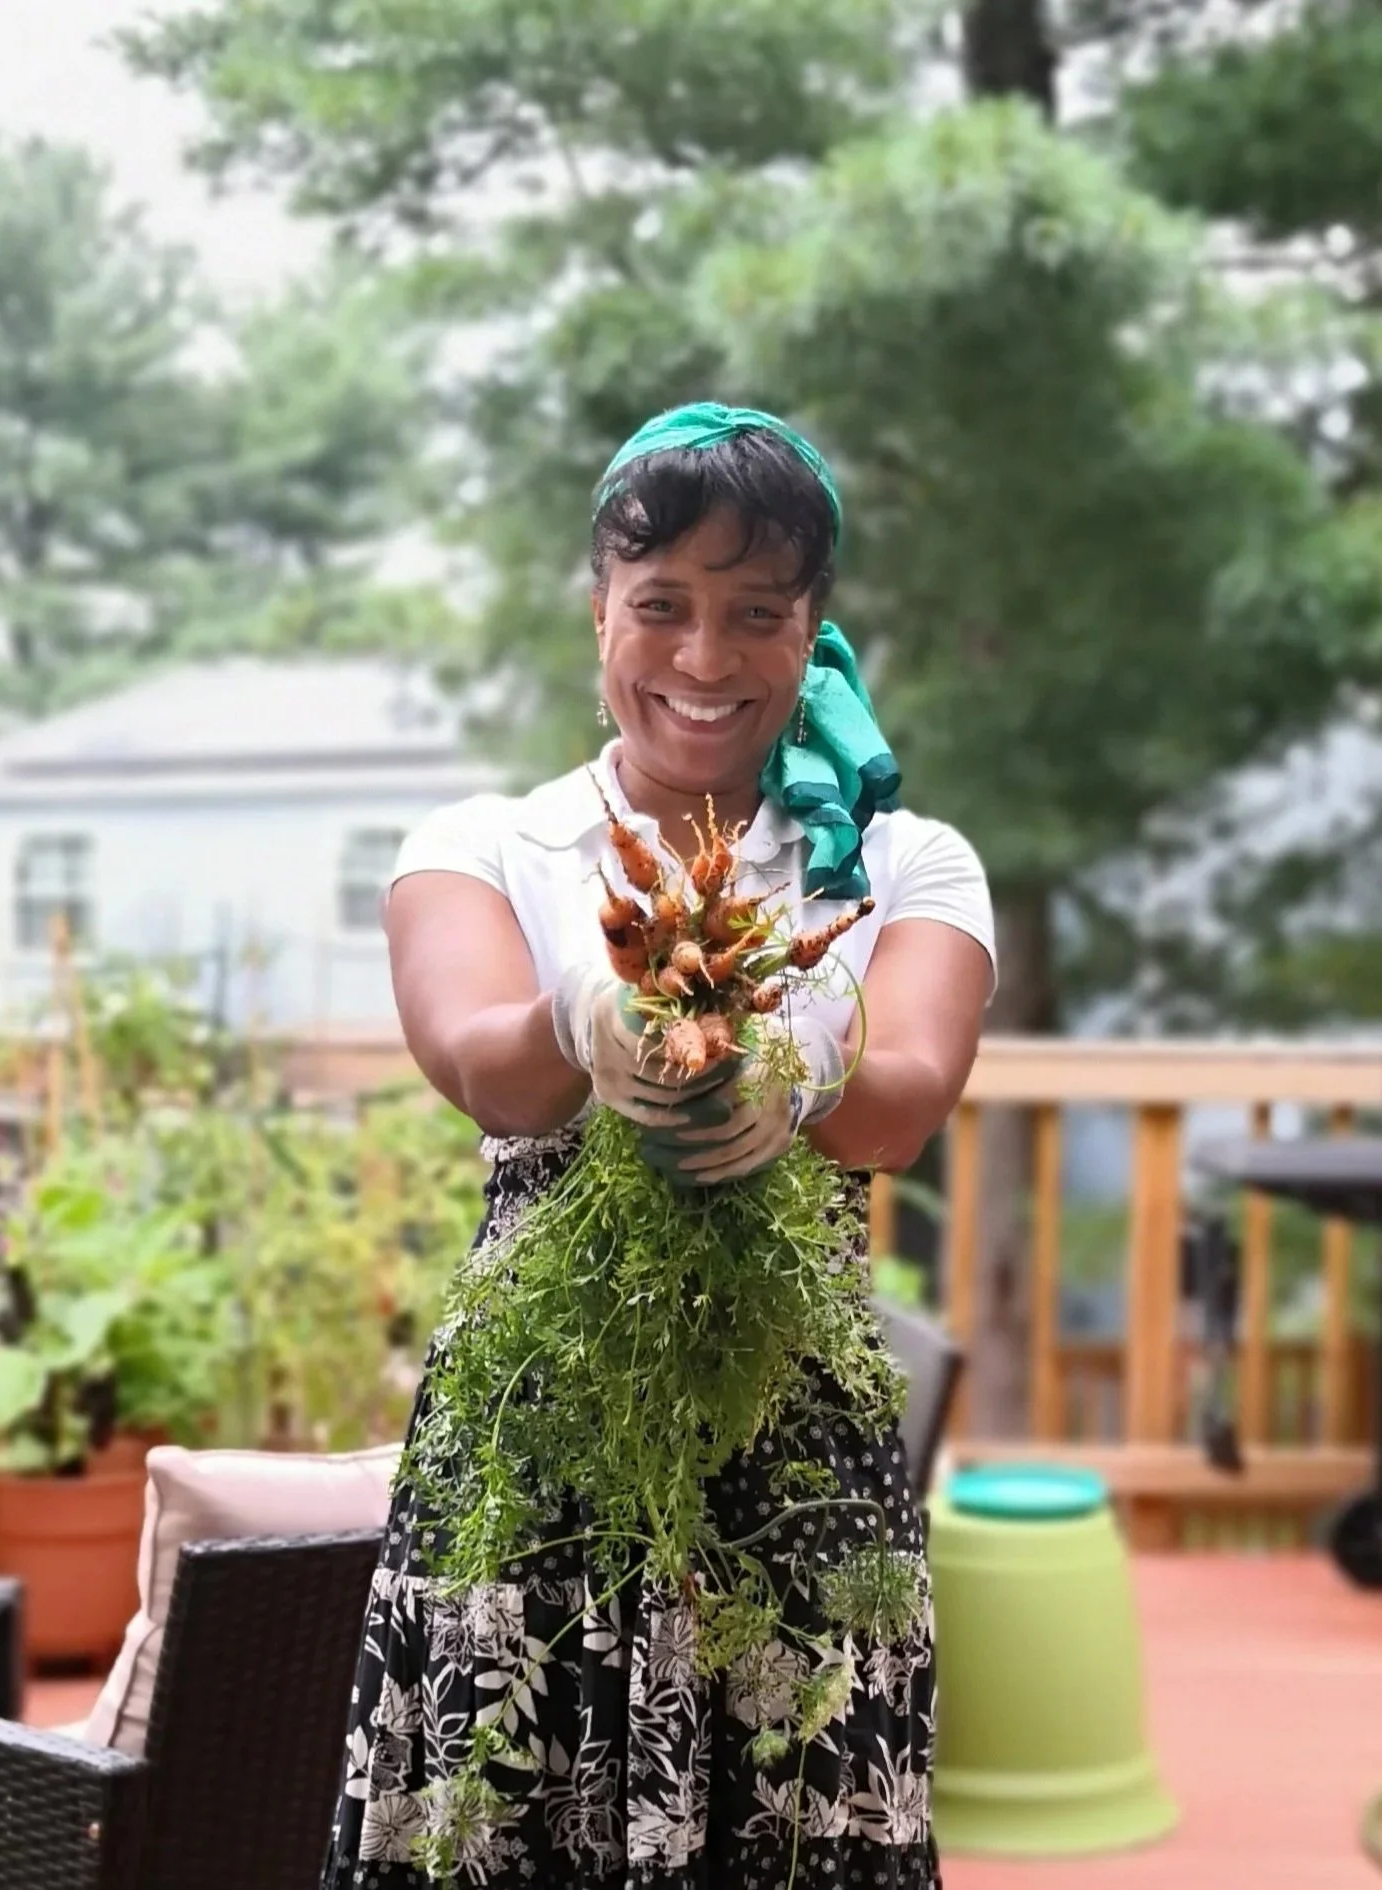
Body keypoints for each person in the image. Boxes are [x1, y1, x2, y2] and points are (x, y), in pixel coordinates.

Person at [322, 402, 995, 1890]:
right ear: (600, 611)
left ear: (813, 630)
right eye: (664, 607)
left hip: (801, 1454)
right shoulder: (485, 845)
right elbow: (478, 1062)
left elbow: (909, 1088)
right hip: (531, 1444)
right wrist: (582, 1014)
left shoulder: (903, 861)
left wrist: (803, 1057)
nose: (705, 659)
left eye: (758, 615)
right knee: (496, 1813)